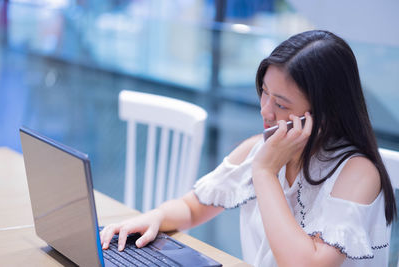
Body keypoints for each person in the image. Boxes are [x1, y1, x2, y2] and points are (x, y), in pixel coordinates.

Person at [100, 30, 397, 267]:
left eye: (281, 104)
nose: (265, 111)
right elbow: (192, 208)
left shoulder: (358, 172)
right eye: (264, 93)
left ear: (325, 113)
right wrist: (155, 216)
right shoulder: (259, 149)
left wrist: (265, 173)